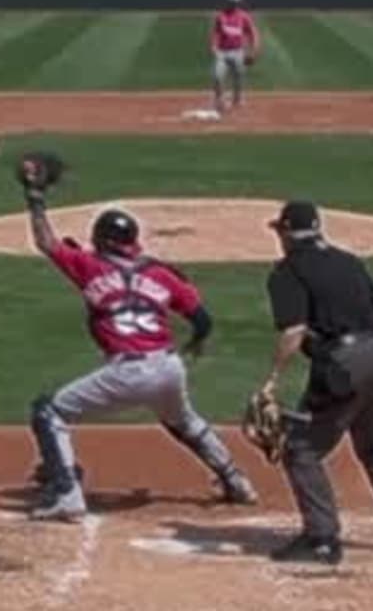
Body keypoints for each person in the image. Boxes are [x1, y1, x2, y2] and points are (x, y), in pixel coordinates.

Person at [18, 197, 256, 523]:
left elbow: (46, 243)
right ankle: (236, 481)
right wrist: (195, 343)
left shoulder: (89, 267)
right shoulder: (160, 273)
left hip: (128, 370)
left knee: (48, 411)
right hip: (169, 367)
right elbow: (202, 320)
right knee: (183, 421)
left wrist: (36, 201)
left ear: (102, 241)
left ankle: (67, 493)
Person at [254, 200, 373, 565]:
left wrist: (271, 379)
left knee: (301, 449)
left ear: (287, 233)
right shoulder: (349, 260)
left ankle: (321, 538)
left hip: (344, 361)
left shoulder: (288, 272)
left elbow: (293, 331)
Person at [209, 0, 260, 117]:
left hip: (238, 51)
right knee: (217, 76)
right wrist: (213, 46)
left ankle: (237, 99)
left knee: (238, 77)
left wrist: (254, 50)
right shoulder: (221, 16)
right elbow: (216, 33)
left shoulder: (244, 17)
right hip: (222, 52)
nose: (233, 4)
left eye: (235, 2)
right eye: (231, 2)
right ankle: (220, 99)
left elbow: (252, 33)